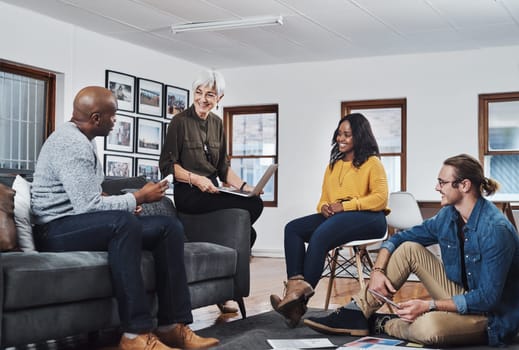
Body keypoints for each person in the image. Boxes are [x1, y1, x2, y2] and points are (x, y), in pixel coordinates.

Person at [31, 86, 219, 350]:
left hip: (74, 221)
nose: (115, 121)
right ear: (96, 118)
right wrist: (137, 198)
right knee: (124, 223)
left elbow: (91, 193)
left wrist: (123, 205)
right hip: (54, 230)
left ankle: (172, 326)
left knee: (168, 227)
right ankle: (135, 334)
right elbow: (88, 207)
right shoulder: (70, 143)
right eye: (113, 115)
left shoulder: (84, 138)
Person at [304, 154, 519, 348]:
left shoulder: (495, 229)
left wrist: (429, 306)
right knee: (408, 249)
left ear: (464, 185)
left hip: (492, 316)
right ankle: (357, 312)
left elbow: (487, 299)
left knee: (428, 329)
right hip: (464, 296)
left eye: (442, 182)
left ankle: (384, 323)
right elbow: (399, 238)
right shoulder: (448, 216)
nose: (437, 187)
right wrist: (377, 271)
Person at [159, 69, 264, 314]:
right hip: (190, 194)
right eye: (199, 92)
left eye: (210, 94)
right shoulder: (180, 122)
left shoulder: (217, 124)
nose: (203, 99)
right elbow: (167, 165)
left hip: (212, 191)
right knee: (246, 229)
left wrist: (245, 187)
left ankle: (225, 287)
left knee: (254, 205)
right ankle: (225, 288)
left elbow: (223, 168)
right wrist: (196, 179)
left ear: (220, 98)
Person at [270, 113, 389, 327]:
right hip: (340, 217)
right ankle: (296, 290)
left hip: (371, 218)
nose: (340, 139)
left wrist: (346, 206)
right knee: (293, 229)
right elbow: (324, 198)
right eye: (338, 134)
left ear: (359, 137)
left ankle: (297, 299)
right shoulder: (333, 166)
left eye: (347, 135)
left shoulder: (372, 163)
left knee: (321, 234)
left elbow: (380, 199)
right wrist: (323, 208)